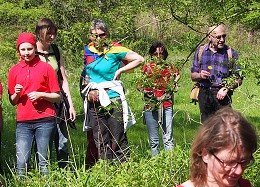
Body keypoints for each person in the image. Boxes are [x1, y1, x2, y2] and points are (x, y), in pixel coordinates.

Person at [81, 19, 144, 162]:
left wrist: (121, 69)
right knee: (100, 139)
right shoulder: (88, 50)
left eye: (101, 35)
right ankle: (105, 170)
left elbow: (139, 59)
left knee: (118, 137)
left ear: (106, 34)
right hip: (94, 98)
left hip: (113, 97)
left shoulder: (114, 49)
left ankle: (123, 169)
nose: (98, 38)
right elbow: (86, 73)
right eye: (94, 35)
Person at [8, 33, 60, 177]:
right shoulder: (14, 70)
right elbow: (12, 101)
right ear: (18, 51)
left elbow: (57, 96)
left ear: (34, 48)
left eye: (29, 49)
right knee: (22, 162)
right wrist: (16, 93)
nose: (26, 53)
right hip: (23, 122)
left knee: (43, 161)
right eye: (23, 50)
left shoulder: (46, 68)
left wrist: (41, 95)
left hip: (45, 120)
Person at [35, 18, 76, 167]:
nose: (52, 37)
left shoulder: (56, 51)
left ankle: (64, 172)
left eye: (54, 34)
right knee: (43, 143)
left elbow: (63, 79)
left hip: (59, 100)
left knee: (63, 142)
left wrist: (70, 105)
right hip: (40, 102)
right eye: (48, 33)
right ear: (40, 33)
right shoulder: (30, 51)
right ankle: (43, 174)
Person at [191, 24, 242, 123]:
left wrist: (226, 88)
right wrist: (200, 75)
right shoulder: (201, 51)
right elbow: (193, 76)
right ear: (209, 37)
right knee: (207, 130)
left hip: (223, 97)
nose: (222, 40)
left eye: (224, 36)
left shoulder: (230, 53)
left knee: (226, 128)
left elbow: (238, 78)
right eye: (218, 37)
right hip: (205, 95)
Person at [140, 42, 180, 156]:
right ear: (151, 54)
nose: (158, 56)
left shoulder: (168, 67)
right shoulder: (147, 67)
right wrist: (145, 90)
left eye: (161, 54)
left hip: (166, 104)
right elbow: (138, 84)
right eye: (155, 54)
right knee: (154, 141)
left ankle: (170, 163)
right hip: (151, 105)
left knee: (168, 138)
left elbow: (178, 74)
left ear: (164, 54)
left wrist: (173, 83)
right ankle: (155, 163)